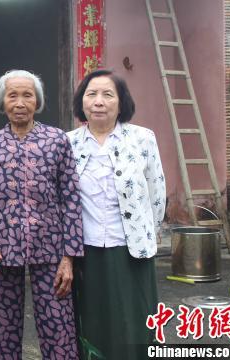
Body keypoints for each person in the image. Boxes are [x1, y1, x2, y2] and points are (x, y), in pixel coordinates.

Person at [0, 70, 84, 359]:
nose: (20, 102)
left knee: (58, 327)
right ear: (3, 101)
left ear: (37, 101)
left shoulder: (57, 141)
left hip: (51, 251)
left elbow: (72, 199)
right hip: (2, 251)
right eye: (13, 95)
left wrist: (69, 257)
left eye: (28, 95)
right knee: (4, 329)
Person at [68, 69, 166, 360]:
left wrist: (146, 234)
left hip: (131, 250)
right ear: (82, 102)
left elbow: (157, 193)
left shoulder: (142, 139)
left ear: (121, 103)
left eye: (107, 94)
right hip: (86, 250)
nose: (99, 101)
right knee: (93, 318)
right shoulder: (68, 143)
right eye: (91, 94)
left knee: (134, 319)